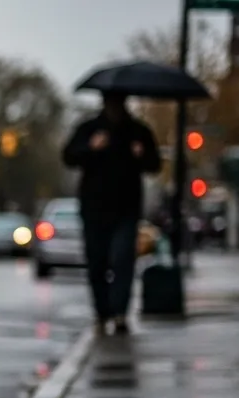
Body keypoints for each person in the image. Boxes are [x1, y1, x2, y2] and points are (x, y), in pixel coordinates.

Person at [62, 91, 161, 335]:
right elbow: (69, 156)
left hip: (126, 208)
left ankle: (119, 313)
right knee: (97, 262)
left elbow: (154, 164)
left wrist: (141, 154)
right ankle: (101, 312)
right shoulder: (89, 129)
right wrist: (90, 148)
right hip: (94, 208)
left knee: (122, 259)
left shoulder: (138, 131)